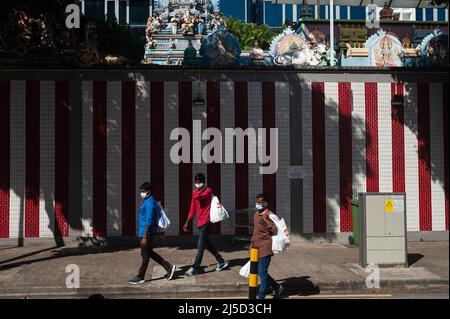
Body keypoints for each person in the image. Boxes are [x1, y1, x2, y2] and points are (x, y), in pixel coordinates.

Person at [128, 182, 176, 285]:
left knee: (145, 255)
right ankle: (169, 267)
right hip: (144, 232)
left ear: (149, 191)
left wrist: (145, 236)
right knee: (149, 253)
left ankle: (141, 276)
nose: (141, 193)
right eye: (141, 191)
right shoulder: (147, 200)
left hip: (147, 233)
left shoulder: (149, 202)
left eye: (143, 191)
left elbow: (149, 221)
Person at [183, 173, 229, 276]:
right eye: (196, 182)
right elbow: (192, 208)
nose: (197, 184)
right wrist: (187, 221)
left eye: (199, 182)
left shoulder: (208, 191)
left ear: (203, 182)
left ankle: (195, 267)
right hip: (200, 222)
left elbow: (198, 196)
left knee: (200, 246)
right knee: (207, 243)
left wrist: (197, 192)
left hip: (206, 222)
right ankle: (221, 261)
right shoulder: (195, 192)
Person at [251, 193, 285, 299]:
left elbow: (276, 230)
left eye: (259, 202)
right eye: (256, 202)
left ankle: (261, 296)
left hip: (265, 247)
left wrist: (267, 220)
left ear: (265, 204)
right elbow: (256, 231)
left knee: (262, 272)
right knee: (258, 271)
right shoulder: (256, 214)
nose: (257, 204)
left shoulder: (270, 215)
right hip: (255, 247)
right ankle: (277, 286)